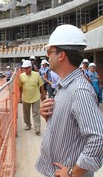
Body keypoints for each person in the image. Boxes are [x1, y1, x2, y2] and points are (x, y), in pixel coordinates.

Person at [35, 24, 103, 177]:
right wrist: (49, 117)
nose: (48, 56)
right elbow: (72, 128)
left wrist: (73, 172)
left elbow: (99, 137)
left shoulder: (79, 91)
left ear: (61, 56)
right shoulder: (66, 85)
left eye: (50, 51)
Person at [18, 60, 45, 135]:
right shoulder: (21, 76)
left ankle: (37, 128)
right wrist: (19, 98)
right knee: (26, 113)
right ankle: (28, 124)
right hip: (25, 98)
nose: (25, 70)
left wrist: (43, 95)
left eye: (26, 68)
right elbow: (20, 87)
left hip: (35, 97)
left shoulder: (36, 75)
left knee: (36, 113)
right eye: (24, 68)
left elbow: (41, 85)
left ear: (30, 68)